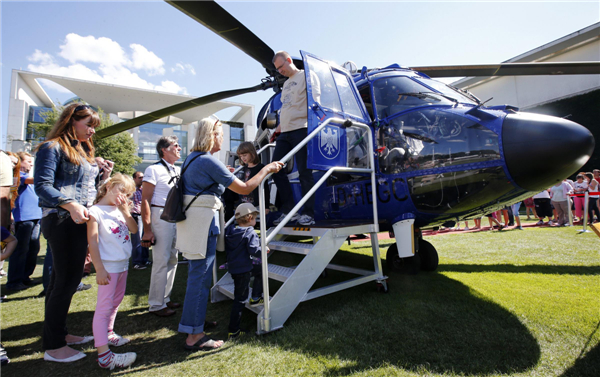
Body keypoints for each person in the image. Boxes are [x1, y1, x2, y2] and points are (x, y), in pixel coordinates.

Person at [176, 116, 283, 351]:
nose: (222, 139)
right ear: (212, 135)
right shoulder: (207, 160)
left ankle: (193, 325)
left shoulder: (192, 159)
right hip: (202, 224)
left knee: (197, 278)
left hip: (193, 223)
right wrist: (267, 168)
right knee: (200, 279)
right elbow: (245, 188)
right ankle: (194, 336)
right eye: (221, 135)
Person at [34, 103, 113, 363]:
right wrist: (70, 205)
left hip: (77, 221)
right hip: (61, 220)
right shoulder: (52, 147)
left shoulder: (82, 150)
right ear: (71, 121)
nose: (92, 131)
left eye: (94, 126)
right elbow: (43, 186)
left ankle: (58, 334)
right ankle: (54, 347)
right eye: (88, 124)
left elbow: (86, 190)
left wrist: (104, 175)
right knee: (66, 283)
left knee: (61, 282)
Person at [87, 174, 137, 369]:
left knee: (115, 302)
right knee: (104, 307)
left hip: (123, 264)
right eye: (121, 191)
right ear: (109, 186)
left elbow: (133, 230)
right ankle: (104, 356)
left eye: (128, 194)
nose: (123, 197)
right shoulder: (95, 211)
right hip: (109, 267)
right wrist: (99, 268)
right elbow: (92, 241)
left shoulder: (120, 210)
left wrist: (126, 212)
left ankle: (108, 332)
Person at [271, 50, 320, 226]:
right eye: (277, 69)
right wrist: (277, 129)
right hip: (285, 132)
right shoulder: (286, 85)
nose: (280, 71)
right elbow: (286, 108)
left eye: (281, 67)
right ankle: (289, 209)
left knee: (304, 172)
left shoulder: (307, 76)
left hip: (302, 129)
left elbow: (316, 103)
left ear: (289, 60)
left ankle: (308, 213)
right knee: (274, 168)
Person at [141, 136, 182, 317]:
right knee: (161, 261)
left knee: (173, 259)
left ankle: (165, 298)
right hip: (160, 215)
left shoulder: (179, 170)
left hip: (175, 217)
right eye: (175, 145)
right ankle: (156, 305)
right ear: (164, 149)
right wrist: (147, 229)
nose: (179, 148)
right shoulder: (154, 169)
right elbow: (145, 200)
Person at [225, 203, 266, 339]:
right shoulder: (250, 233)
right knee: (240, 299)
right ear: (249, 218)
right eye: (255, 218)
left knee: (259, 269)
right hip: (243, 270)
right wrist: (264, 250)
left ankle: (255, 297)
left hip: (234, 268)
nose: (256, 220)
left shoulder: (231, 230)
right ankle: (234, 330)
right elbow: (254, 250)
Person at [7, 152, 42, 292]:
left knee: (33, 248)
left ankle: (25, 277)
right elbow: (33, 180)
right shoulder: (18, 176)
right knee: (21, 250)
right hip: (23, 218)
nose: (31, 164)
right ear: (20, 163)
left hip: (35, 217)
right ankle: (14, 281)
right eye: (28, 161)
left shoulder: (28, 177)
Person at [235, 142, 271, 217]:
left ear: (252, 153)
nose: (243, 158)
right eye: (241, 156)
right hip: (243, 204)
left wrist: (266, 206)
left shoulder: (261, 168)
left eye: (245, 155)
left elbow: (265, 187)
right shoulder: (243, 168)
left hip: (256, 204)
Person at [130, 171, 150, 269]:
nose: (142, 179)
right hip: (136, 216)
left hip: (143, 216)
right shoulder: (130, 190)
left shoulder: (143, 190)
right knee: (137, 240)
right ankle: (137, 262)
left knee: (145, 238)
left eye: (143, 177)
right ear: (134, 179)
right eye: (140, 177)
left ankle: (145, 260)